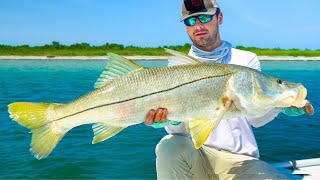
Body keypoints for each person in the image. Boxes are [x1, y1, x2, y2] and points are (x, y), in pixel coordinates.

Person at [144, 0, 314, 179]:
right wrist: (172, 119)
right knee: (168, 145)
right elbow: (177, 132)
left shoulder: (245, 60)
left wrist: (278, 106)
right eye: (190, 21)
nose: (198, 26)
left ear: (220, 17)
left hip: (239, 163)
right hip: (195, 157)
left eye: (204, 17)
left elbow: (255, 118)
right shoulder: (178, 68)